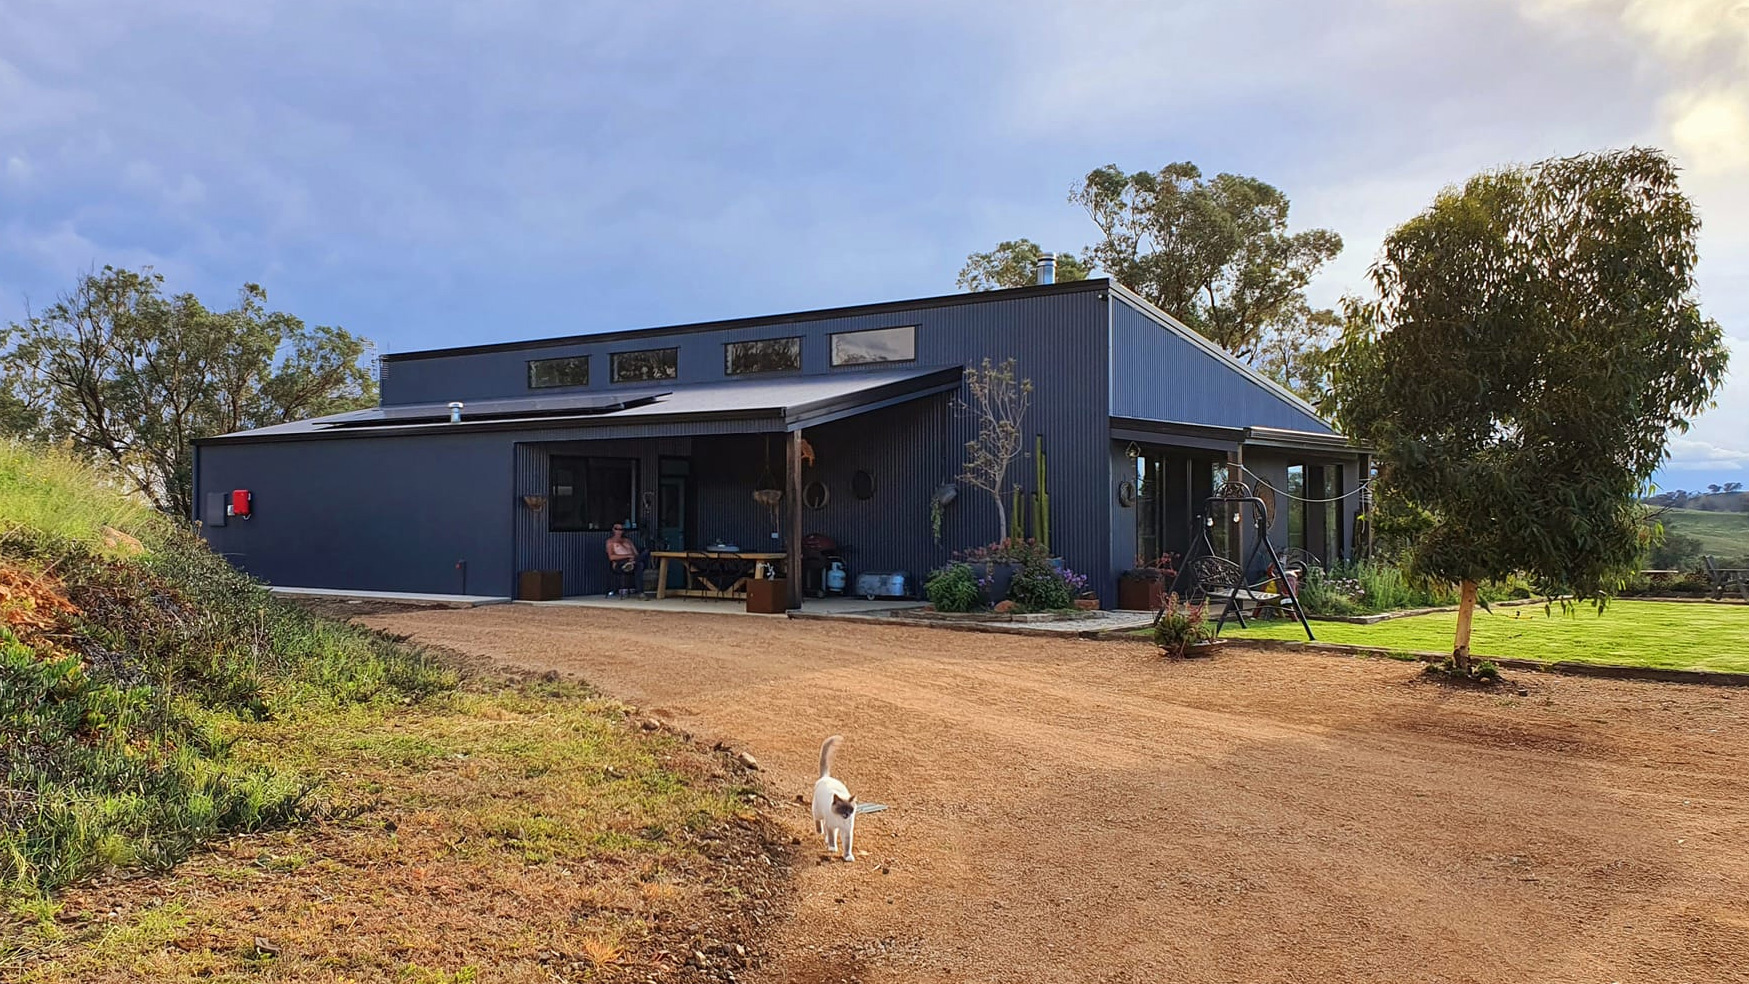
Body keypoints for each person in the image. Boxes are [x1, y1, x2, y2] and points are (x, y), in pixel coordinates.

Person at [605, 523, 638, 597]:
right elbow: (611, 557)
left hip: (632, 561)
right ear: (613, 530)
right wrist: (627, 556)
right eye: (617, 529)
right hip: (619, 563)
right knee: (628, 564)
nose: (619, 531)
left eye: (621, 529)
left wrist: (632, 557)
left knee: (640, 565)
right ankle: (628, 565)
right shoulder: (610, 542)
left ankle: (640, 591)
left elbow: (636, 553)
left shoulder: (627, 541)